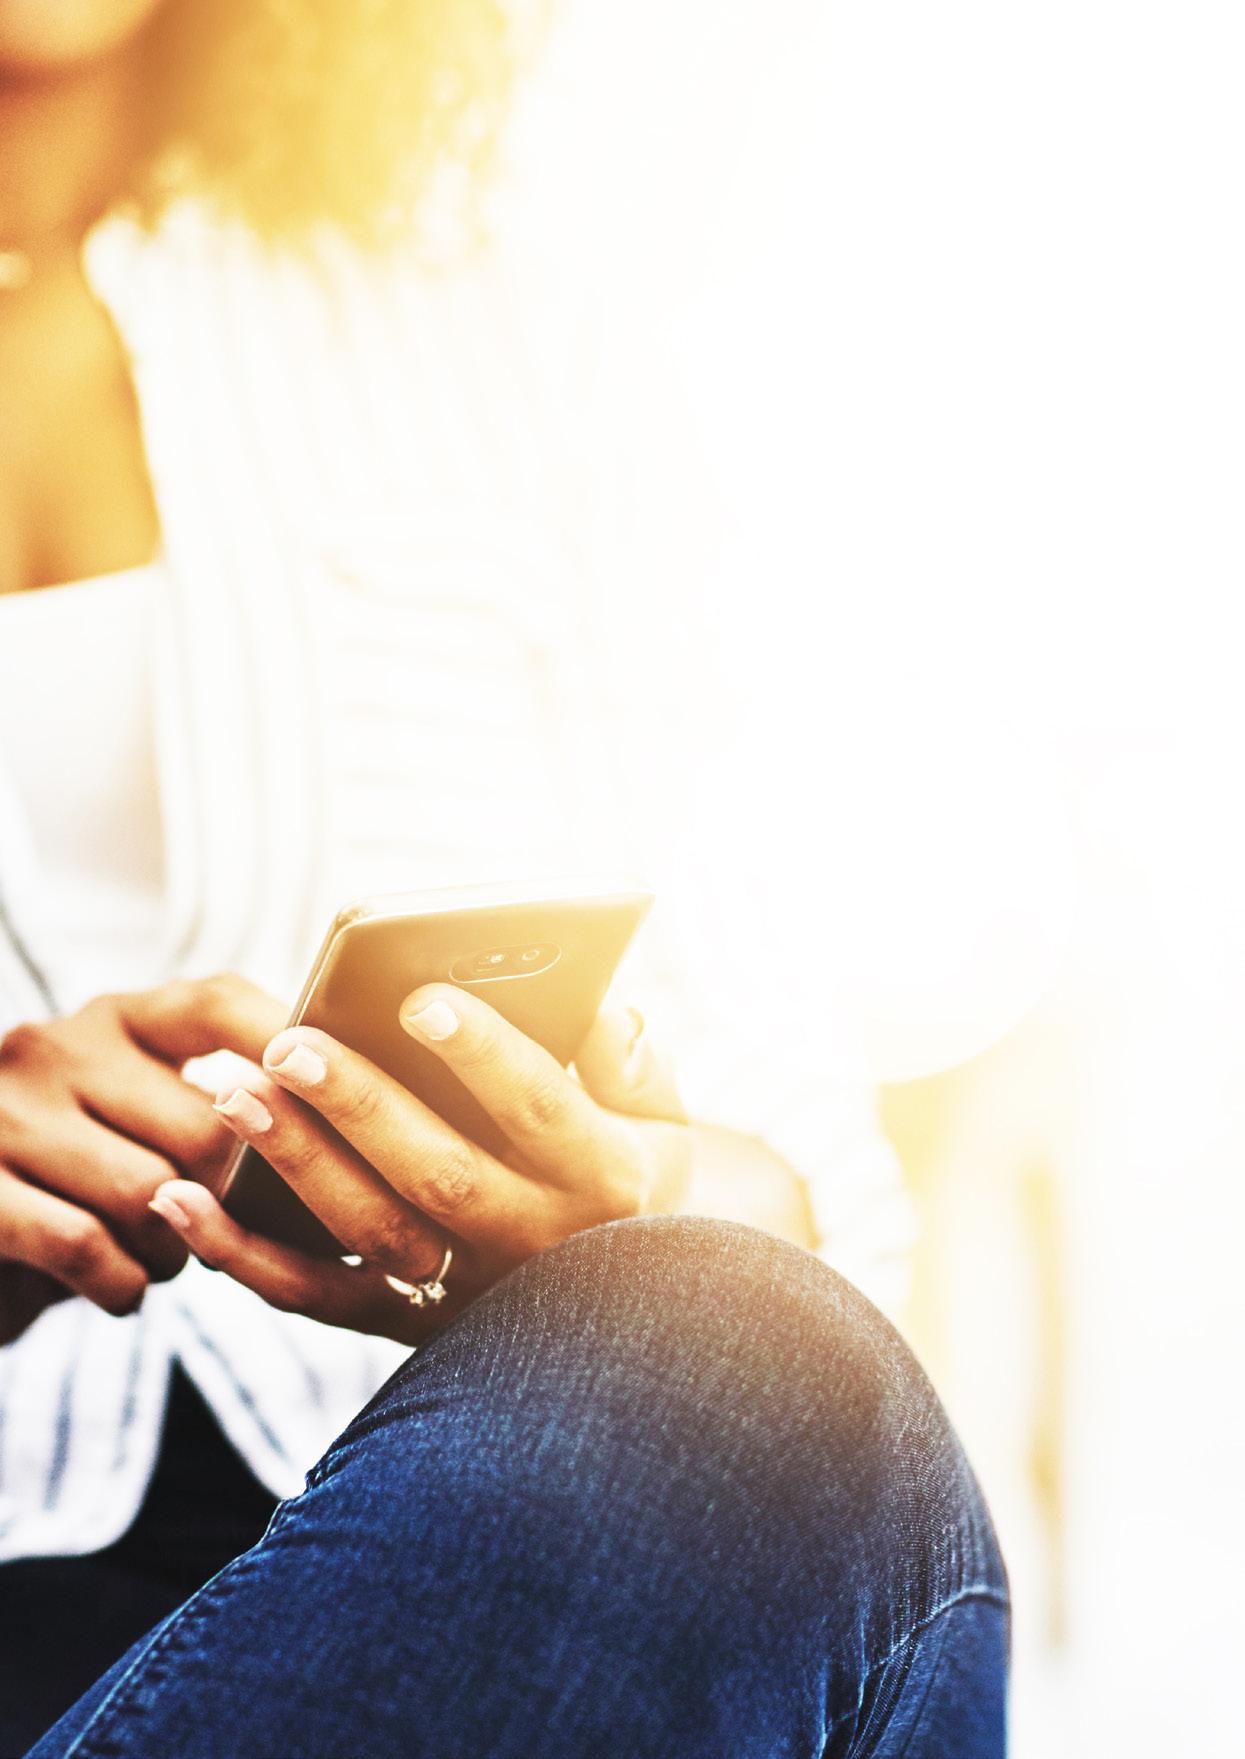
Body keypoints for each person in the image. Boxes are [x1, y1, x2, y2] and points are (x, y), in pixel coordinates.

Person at [0, 2, 1007, 1753]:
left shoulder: (493, 342)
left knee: (741, 1354)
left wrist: (632, 1205)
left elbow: (803, 1153)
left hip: (523, 1556)